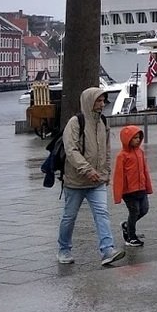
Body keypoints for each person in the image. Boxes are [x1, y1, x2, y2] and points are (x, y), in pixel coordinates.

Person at [56, 87, 125, 266]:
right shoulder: (75, 123)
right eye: (98, 101)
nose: (102, 104)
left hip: (97, 181)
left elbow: (106, 150)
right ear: (89, 101)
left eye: (103, 101)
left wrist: (105, 172)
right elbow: (71, 150)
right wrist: (87, 170)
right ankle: (64, 249)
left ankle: (107, 250)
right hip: (76, 182)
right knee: (69, 217)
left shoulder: (102, 122)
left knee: (102, 213)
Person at [112, 125, 153, 248]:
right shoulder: (122, 156)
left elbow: (145, 171)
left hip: (141, 189)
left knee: (144, 209)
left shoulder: (140, 152)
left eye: (139, 137)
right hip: (129, 191)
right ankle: (131, 237)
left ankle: (128, 225)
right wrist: (118, 194)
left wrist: (148, 186)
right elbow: (118, 176)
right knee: (134, 212)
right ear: (127, 139)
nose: (137, 140)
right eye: (134, 138)